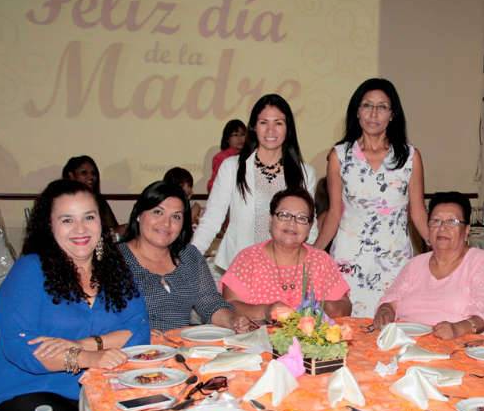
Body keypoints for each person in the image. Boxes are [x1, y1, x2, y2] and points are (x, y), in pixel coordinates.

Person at [0, 180, 149, 411]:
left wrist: (80, 344)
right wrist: (89, 358)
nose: (80, 229)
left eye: (89, 217)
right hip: (26, 393)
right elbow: (23, 348)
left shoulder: (114, 268)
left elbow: (138, 330)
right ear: (49, 226)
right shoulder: (30, 270)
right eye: (67, 220)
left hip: (93, 393)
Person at [313, 78, 428, 316]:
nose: (374, 114)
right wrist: (311, 255)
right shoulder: (339, 155)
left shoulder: (410, 157)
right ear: (357, 111)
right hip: (349, 258)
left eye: (382, 107)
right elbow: (334, 213)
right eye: (367, 105)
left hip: (394, 258)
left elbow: (417, 213)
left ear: (392, 114)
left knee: (390, 327)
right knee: (346, 328)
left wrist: (446, 249)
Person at [192, 95, 316, 270]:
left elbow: (310, 227)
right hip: (239, 270)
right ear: (254, 127)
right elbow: (212, 219)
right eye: (264, 122)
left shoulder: (305, 173)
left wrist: (311, 267)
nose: (270, 130)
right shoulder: (232, 167)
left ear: (288, 129)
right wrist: (188, 261)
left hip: (286, 270)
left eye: (278, 123)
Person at [120, 181, 250, 332]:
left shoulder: (189, 256)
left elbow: (210, 303)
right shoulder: (116, 260)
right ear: (138, 215)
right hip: (130, 350)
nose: (166, 223)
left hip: (180, 349)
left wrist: (233, 320)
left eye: (176, 217)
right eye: (158, 212)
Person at [374, 192, 484, 339]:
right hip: (407, 343)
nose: (442, 228)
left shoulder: (479, 262)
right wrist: (385, 310)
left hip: (461, 347)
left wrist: (457, 329)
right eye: (435, 221)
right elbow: (391, 301)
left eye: (452, 222)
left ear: (467, 230)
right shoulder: (415, 264)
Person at [221, 189, 351, 321]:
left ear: (310, 227)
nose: (292, 223)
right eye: (284, 215)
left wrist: (323, 308)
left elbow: (345, 306)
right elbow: (229, 304)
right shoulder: (248, 258)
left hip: (311, 340)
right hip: (256, 338)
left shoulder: (320, 260)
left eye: (301, 218)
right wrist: (266, 311)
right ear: (271, 220)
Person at [61, 155, 119, 233]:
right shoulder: (61, 201)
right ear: (71, 175)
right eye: (84, 173)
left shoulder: (99, 200)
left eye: (93, 173)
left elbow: (112, 229)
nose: (91, 177)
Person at [207, 119, 247, 192]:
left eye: (242, 134)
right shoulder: (221, 157)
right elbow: (214, 185)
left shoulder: (250, 156)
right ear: (227, 139)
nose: (240, 138)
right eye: (235, 135)